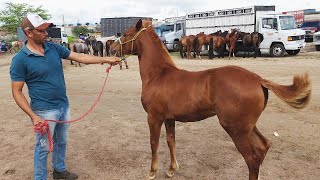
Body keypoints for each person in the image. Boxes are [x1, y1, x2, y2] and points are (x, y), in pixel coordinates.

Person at [10, 14, 120, 180]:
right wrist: (33, 116)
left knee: (61, 142)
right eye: (41, 30)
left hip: (63, 105)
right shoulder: (20, 60)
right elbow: (16, 91)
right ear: (29, 33)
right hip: (44, 111)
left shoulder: (53, 48)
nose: (46, 33)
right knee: (43, 147)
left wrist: (106, 59)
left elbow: (80, 57)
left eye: (46, 29)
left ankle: (59, 171)